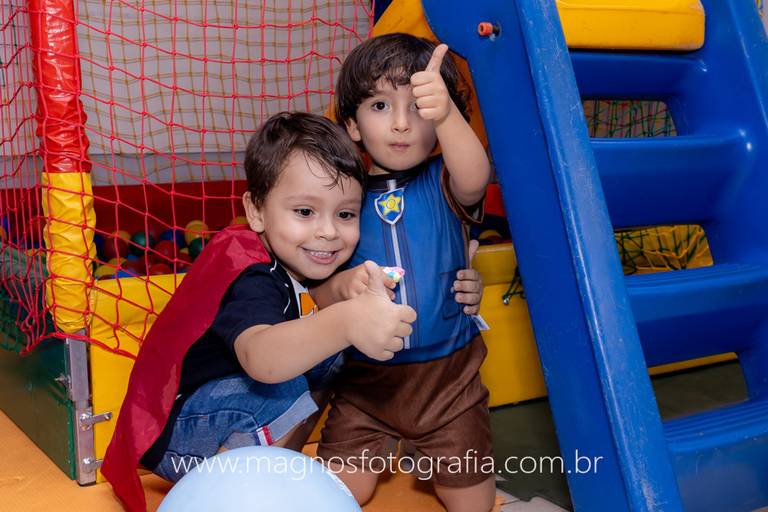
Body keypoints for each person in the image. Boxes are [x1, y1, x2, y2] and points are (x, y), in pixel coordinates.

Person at [102, 111, 483, 512]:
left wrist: (462, 277)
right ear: (256, 211)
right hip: (183, 430)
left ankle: (280, 467)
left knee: (326, 357)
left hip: (218, 411)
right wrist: (347, 320)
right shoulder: (249, 272)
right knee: (292, 378)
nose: (328, 231)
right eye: (304, 212)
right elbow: (262, 358)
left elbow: (329, 295)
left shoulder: (295, 253)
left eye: (345, 214)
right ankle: (242, 490)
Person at [316, 33, 496, 512]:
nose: (401, 123)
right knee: (340, 495)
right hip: (366, 386)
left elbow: (475, 176)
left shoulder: (445, 181)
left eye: (418, 107)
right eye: (380, 106)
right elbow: (315, 286)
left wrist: (447, 113)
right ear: (352, 125)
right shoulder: (340, 196)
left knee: (473, 504)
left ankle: (432, 455)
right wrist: (340, 286)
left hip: (449, 383)